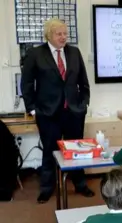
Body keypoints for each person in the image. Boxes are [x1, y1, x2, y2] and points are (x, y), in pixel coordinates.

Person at [21, 18, 94, 203]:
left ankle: (80, 184)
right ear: (49, 35)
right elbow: (27, 84)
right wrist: (33, 109)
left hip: (73, 112)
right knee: (49, 151)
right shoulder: (36, 54)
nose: (63, 37)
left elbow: (83, 82)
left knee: (77, 150)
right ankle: (47, 188)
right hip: (47, 113)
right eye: (59, 34)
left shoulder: (74, 52)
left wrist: (84, 103)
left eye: (65, 33)